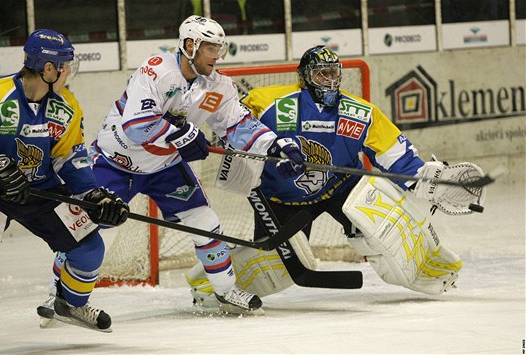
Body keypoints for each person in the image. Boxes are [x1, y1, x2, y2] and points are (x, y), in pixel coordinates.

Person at [37, 15, 305, 320]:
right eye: (210, 48)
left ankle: (225, 291)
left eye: (220, 48)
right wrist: (185, 135)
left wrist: (276, 146)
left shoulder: (218, 85)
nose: (217, 56)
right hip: (116, 162)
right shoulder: (156, 70)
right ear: (189, 45)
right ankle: (55, 292)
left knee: (205, 221)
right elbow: (137, 125)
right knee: (86, 227)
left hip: (164, 167)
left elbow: (239, 123)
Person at [185, 45, 486, 300]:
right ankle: (209, 285)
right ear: (305, 77)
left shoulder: (358, 112)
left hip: (343, 187)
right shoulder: (269, 103)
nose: (329, 81)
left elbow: (392, 151)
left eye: (334, 73)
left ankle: (430, 265)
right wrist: (198, 138)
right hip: (281, 198)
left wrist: (425, 178)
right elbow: (231, 125)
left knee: (381, 228)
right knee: (274, 265)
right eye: (321, 74)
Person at [0, 29, 129, 332]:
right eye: (65, 65)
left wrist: (93, 196)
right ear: (49, 68)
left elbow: (71, 157)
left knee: (89, 248)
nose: (69, 71)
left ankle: (69, 304)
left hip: (39, 192)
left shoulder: (66, 106)